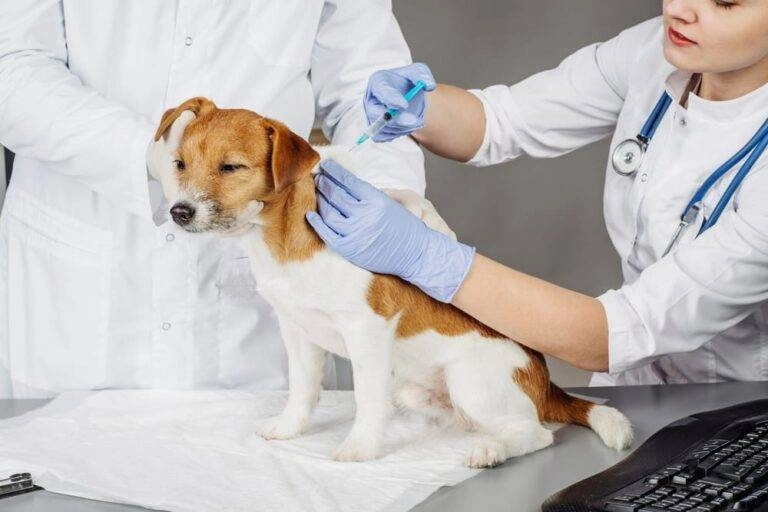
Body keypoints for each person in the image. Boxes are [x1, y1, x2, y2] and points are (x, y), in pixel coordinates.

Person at [307, 0, 768, 386]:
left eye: (724, 1)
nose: (677, 9)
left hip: (734, 408)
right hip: (635, 389)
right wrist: (421, 107)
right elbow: (501, 121)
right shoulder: (654, 50)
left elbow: (616, 332)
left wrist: (428, 258)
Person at [0, 1, 425, 398]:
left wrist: (386, 191)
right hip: (78, 303)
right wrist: (142, 152)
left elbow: (366, 92)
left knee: (267, 453)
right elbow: (12, 64)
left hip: (255, 332)